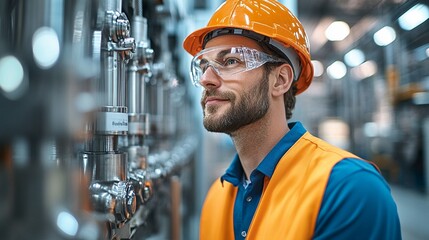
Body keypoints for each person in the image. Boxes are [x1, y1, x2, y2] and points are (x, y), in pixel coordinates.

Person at [183, 0, 402, 239]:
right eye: (204, 66)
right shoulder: (216, 198)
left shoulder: (348, 189)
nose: (206, 79)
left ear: (280, 80)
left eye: (231, 61)